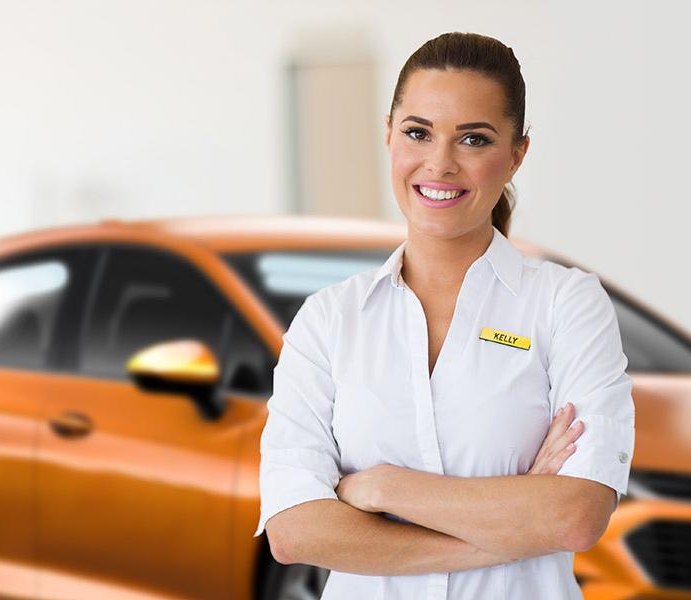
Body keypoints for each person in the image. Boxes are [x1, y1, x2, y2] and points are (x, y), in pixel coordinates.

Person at [254, 31, 635, 599]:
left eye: (474, 140)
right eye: (417, 133)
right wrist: (511, 521)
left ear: (516, 155)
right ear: (388, 137)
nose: (440, 163)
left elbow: (575, 516)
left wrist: (381, 488)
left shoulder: (565, 304)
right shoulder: (328, 321)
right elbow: (295, 530)